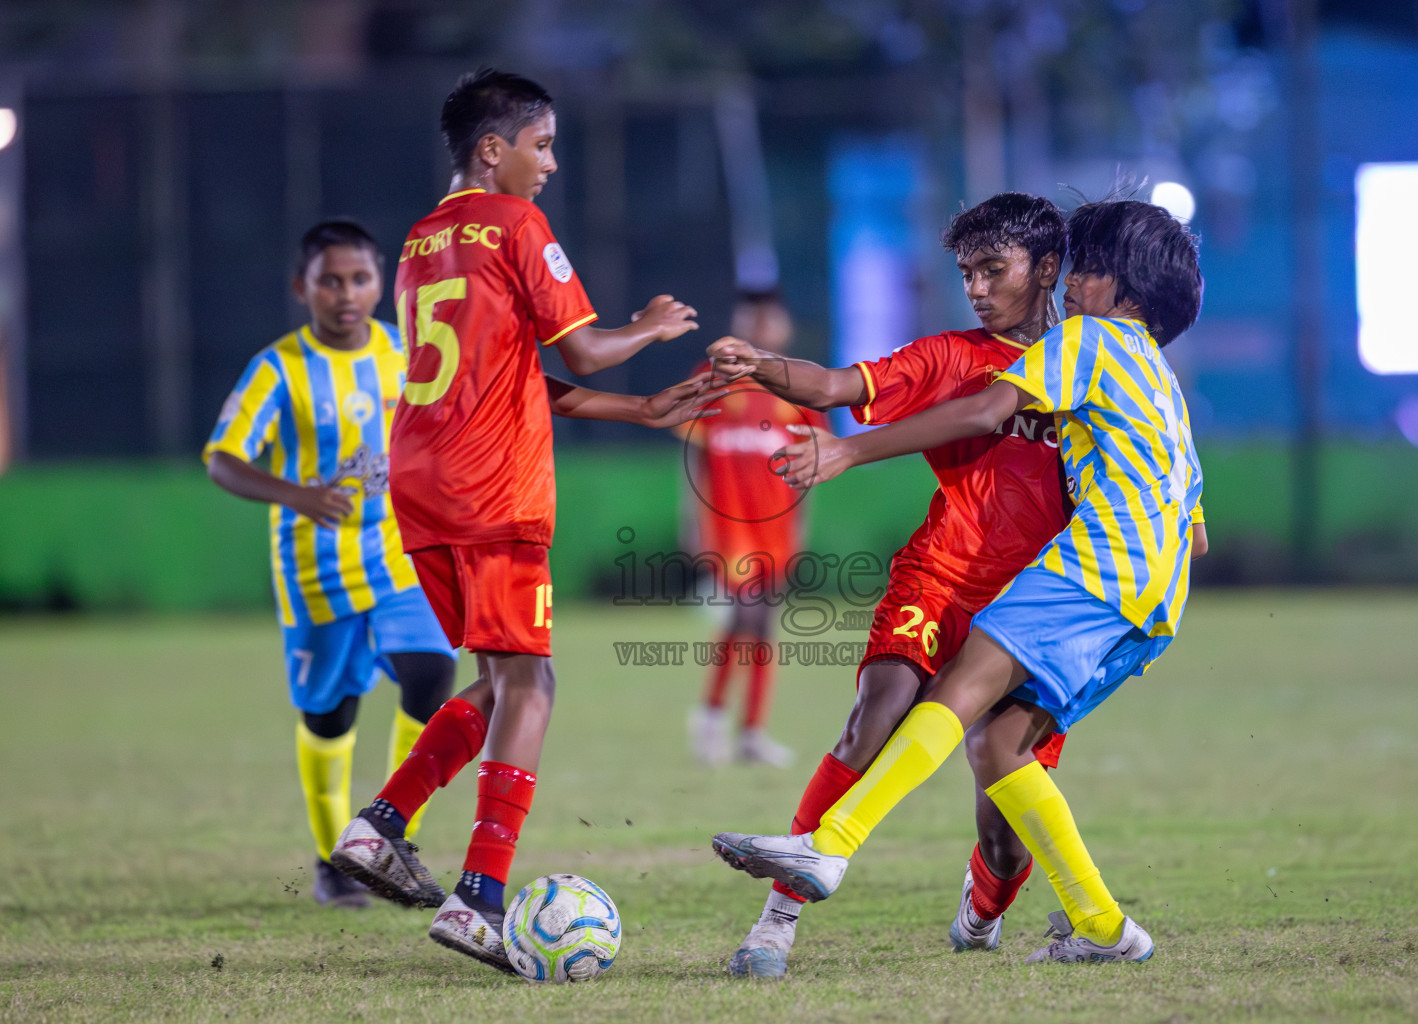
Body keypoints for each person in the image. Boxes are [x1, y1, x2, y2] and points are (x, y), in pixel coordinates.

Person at [711, 197, 1207, 965]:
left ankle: (989, 916)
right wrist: (765, 367)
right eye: (966, 273)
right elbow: (836, 385)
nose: (975, 287)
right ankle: (779, 915)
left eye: (992, 269)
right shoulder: (958, 355)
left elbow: (986, 415)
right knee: (876, 714)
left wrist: (848, 453)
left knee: (1003, 819)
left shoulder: (1088, 349)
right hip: (944, 577)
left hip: (1045, 591)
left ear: (1049, 270)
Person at [328, 69, 712, 974]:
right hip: (490, 487)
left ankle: (380, 825)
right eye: (541, 145)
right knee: (533, 686)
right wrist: (648, 328)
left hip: (420, 479)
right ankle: (479, 898)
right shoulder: (515, 224)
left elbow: (506, 376)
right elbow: (579, 348)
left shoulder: (423, 239)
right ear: (492, 149)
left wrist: (642, 409)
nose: (550, 164)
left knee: (500, 683)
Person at [205, 220, 458, 908]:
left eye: (361, 279)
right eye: (331, 280)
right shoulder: (279, 368)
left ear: (383, 283)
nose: (347, 294)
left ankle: (391, 844)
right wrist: (298, 495)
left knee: (434, 673)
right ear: (302, 287)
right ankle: (331, 861)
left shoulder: (405, 355)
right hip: (317, 568)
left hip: (403, 558)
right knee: (331, 718)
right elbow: (222, 458)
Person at [684, 289, 822, 769]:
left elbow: (811, 465)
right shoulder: (714, 381)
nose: (763, 324)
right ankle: (730, 723)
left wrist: (801, 528)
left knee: (758, 627)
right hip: (728, 527)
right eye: (754, 316)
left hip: (777, 530)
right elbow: (695, 463)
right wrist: (692, 525)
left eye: (771, 316)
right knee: (750, 620)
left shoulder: (797, 384)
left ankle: (731, 724)